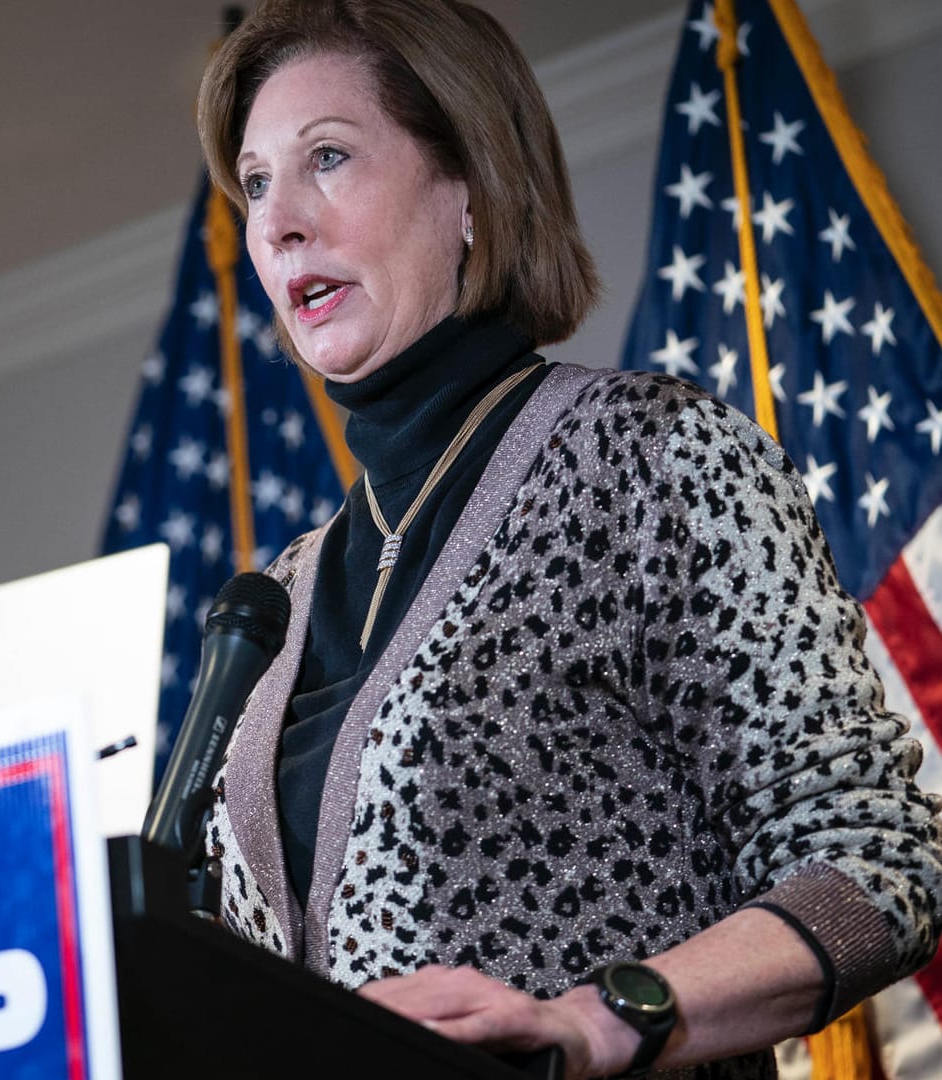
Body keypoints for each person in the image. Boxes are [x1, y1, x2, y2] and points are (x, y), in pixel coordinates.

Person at [192, 1, 942, 1077]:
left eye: (328, 159)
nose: (277, 223)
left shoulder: (650, 459)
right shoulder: (272, 606)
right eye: (257, 182)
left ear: (468, 189)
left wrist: (603, 1021)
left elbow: (880, 864)